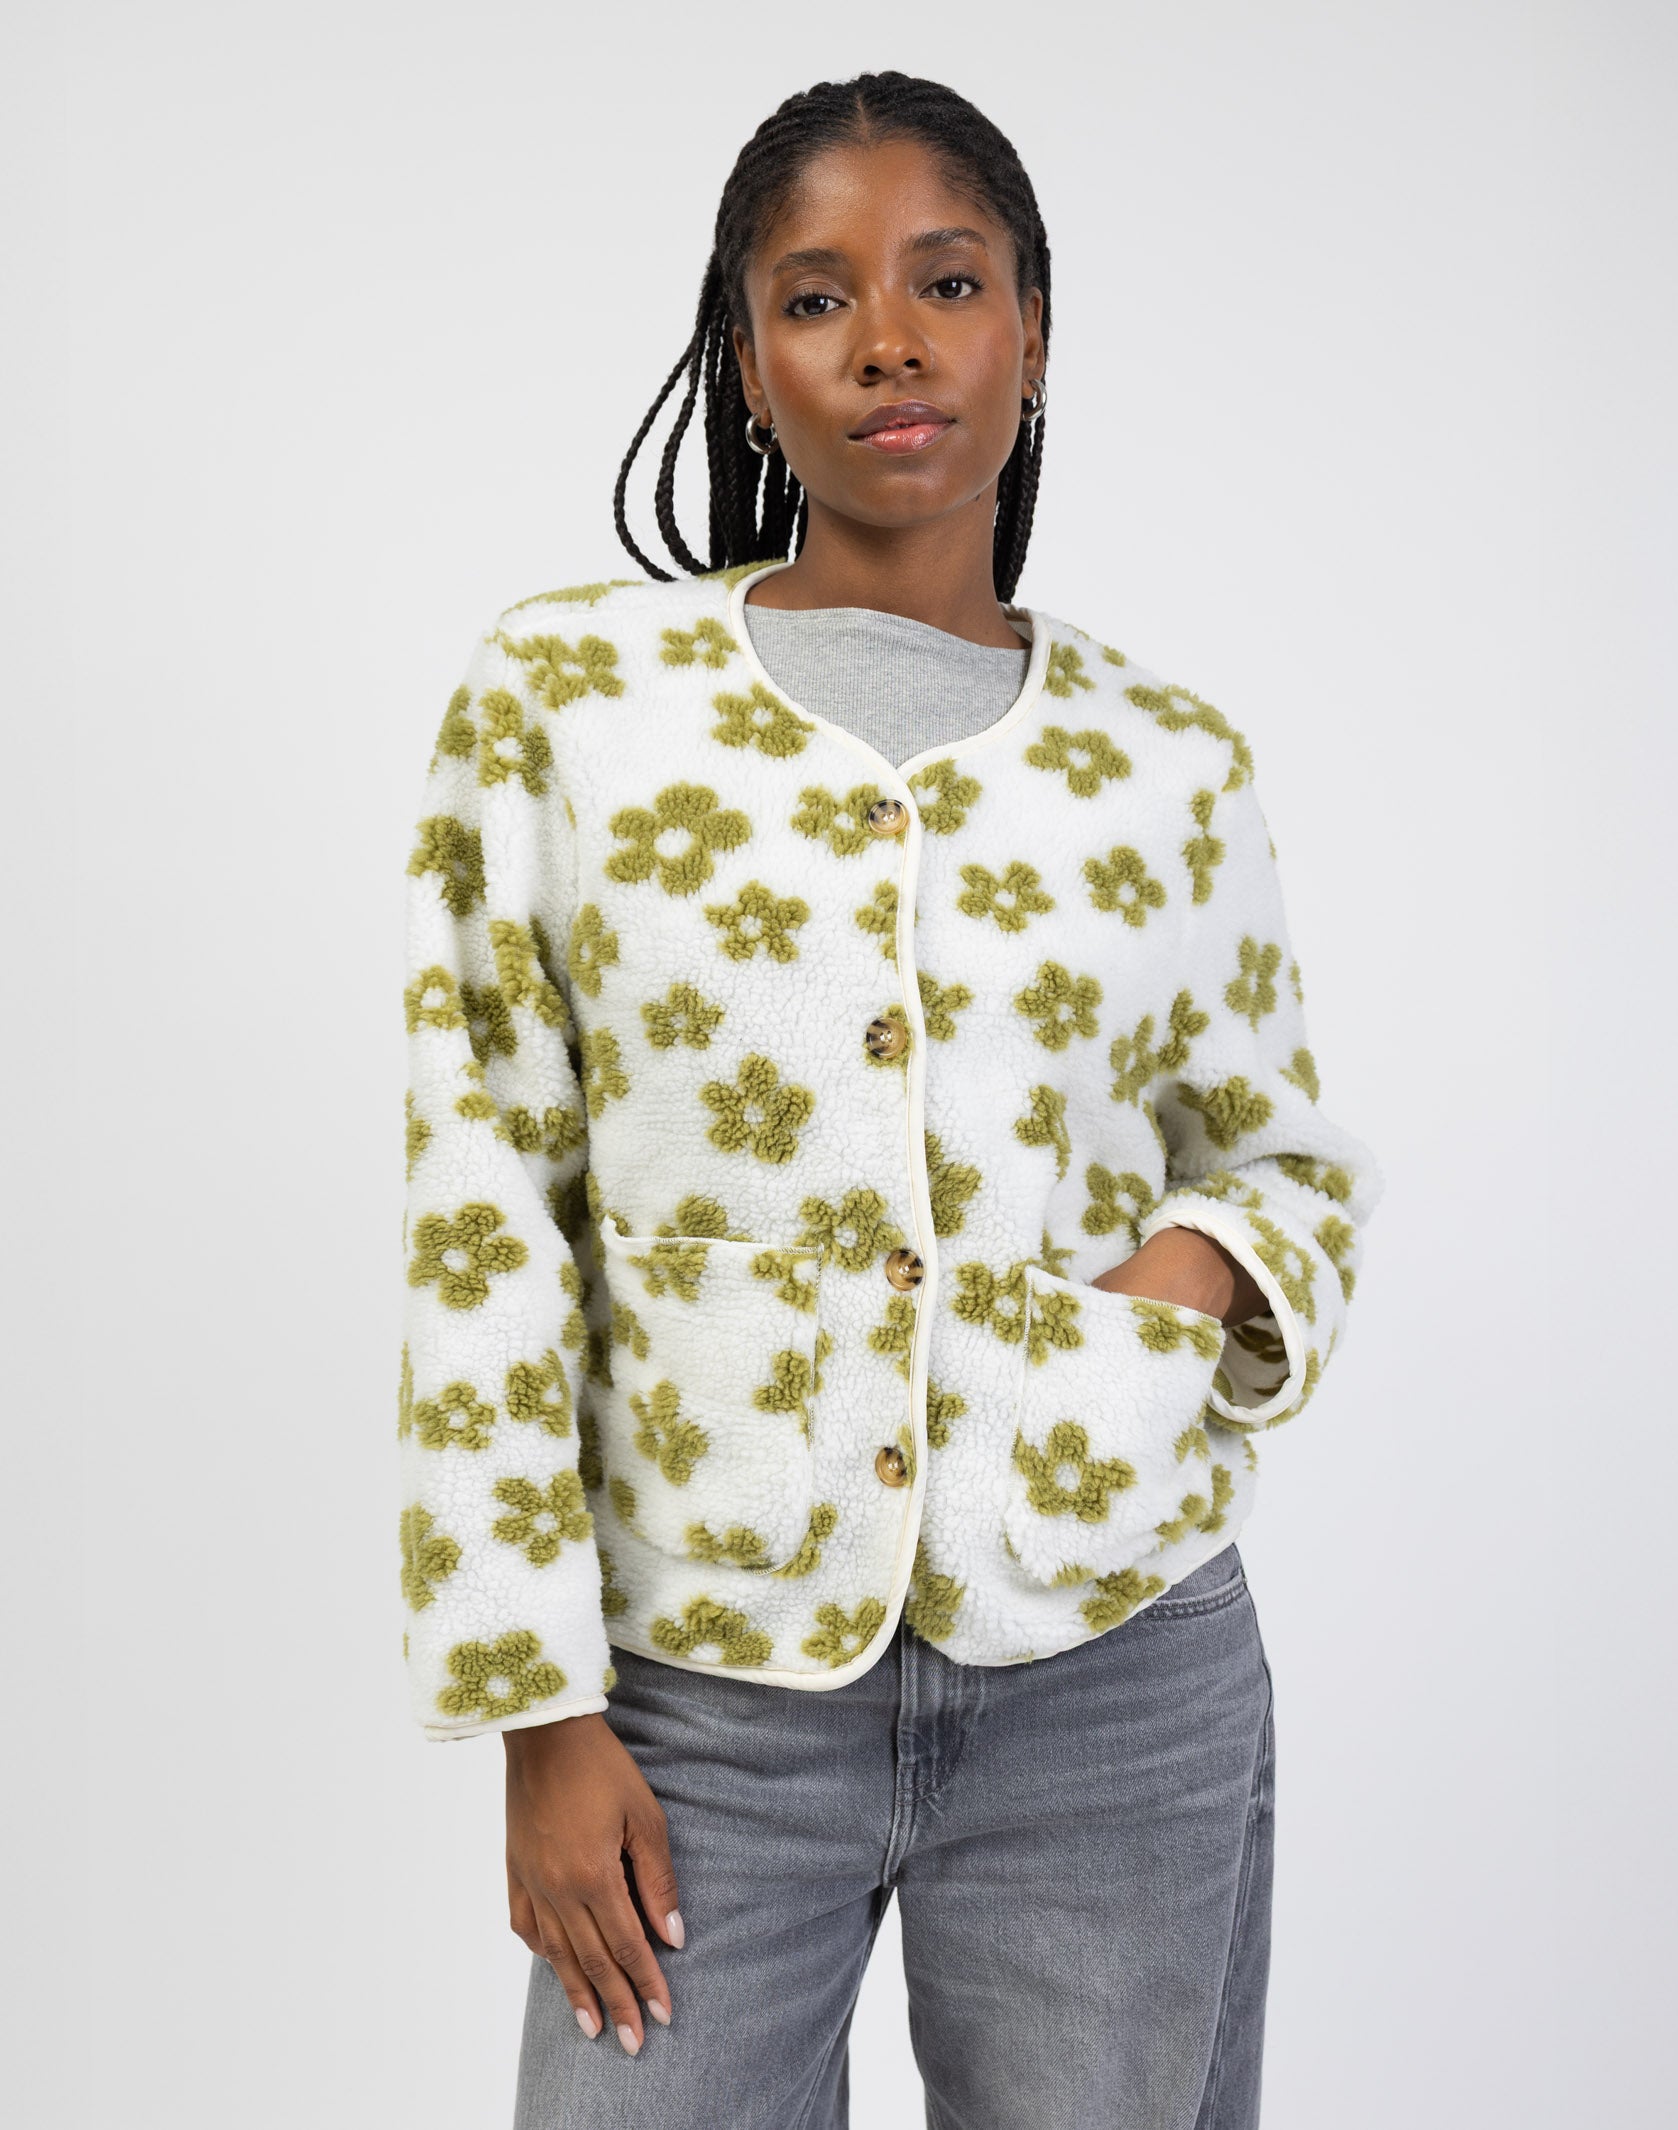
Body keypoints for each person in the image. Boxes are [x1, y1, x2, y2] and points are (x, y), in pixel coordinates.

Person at [398, 69, 1384, 2130]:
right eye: (816, 296)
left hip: (1113, 1661)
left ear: (1033, 328)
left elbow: (1286, 1156)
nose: (889, 343)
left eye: (946, 281)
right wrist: (536, 1710)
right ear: (747, 361)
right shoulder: (570, 705)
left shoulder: (1168, 762)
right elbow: (485, 1198)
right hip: (700, 1695)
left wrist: (1193, 1273)